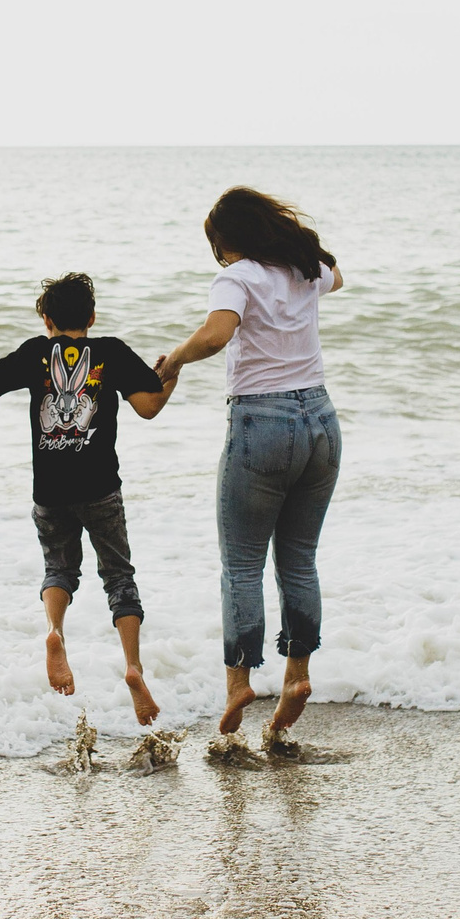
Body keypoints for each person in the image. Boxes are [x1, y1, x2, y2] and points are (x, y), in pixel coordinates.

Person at [0, 272, 172, 726]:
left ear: (46, 319)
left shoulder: (36, 353)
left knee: (59, 569)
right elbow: (150, 406)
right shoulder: (113, 352)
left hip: (50, 492)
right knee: (119, 577)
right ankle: (133, 668)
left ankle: (55, 632)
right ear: (92, 317)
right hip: (101, 489)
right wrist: (171, 372)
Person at [154, 188, 343, 753]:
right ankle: (298, 674)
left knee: (240, 565)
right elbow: (339, 273)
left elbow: (216, 334)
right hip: (321, 423)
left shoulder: (236, 278)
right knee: (299, 560)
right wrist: (297, 244)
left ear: (224, 242)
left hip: (261, 424)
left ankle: (239, 684)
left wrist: (175, 359)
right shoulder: (302, 270)